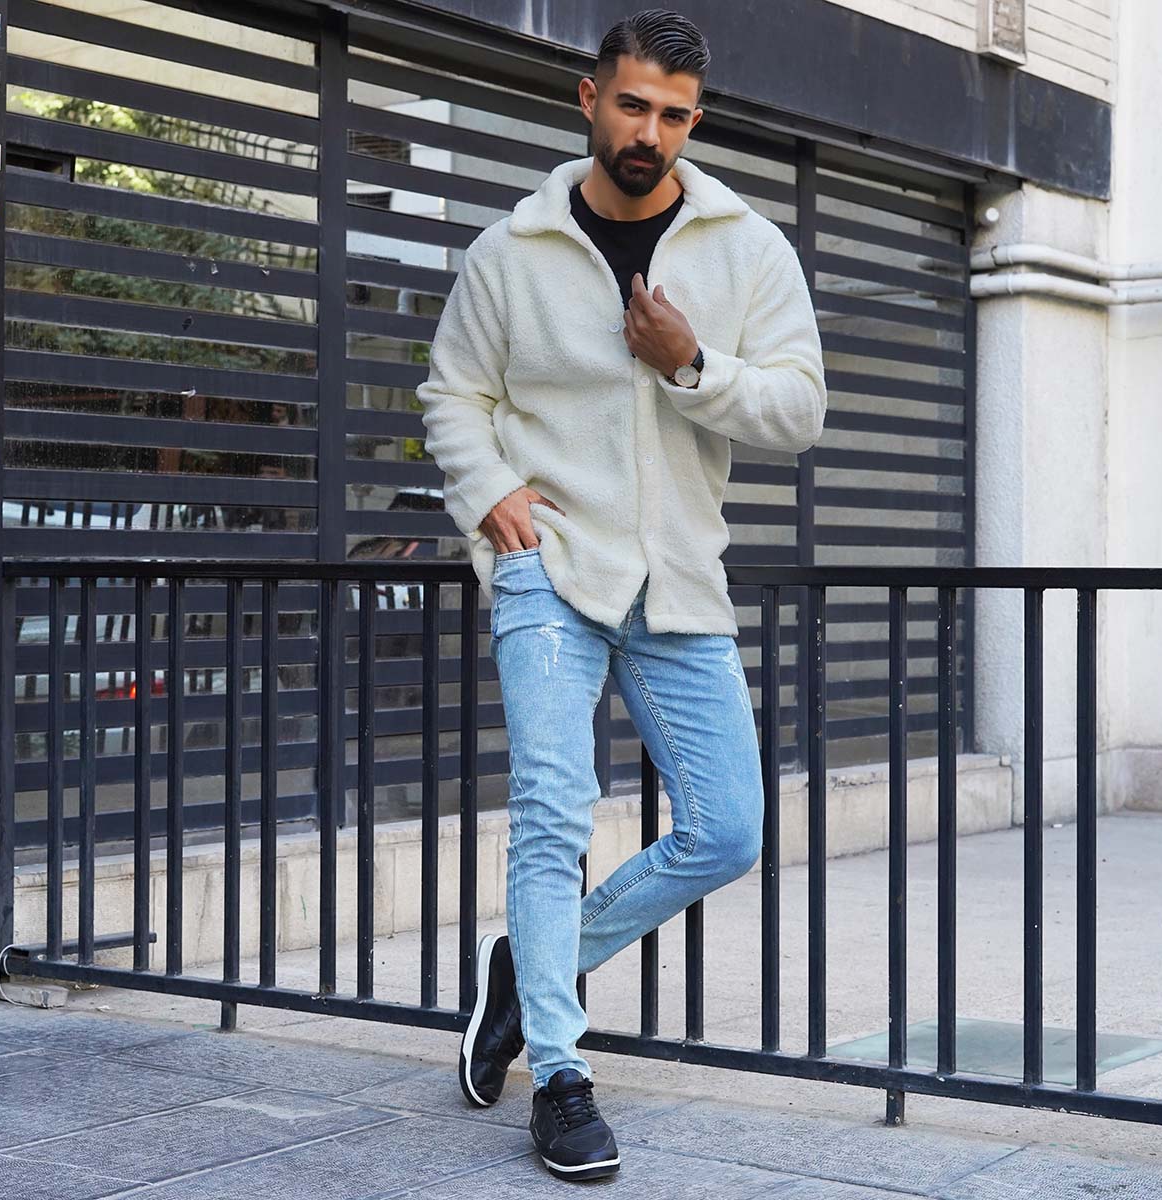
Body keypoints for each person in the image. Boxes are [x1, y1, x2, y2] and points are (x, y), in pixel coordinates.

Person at [417, 7, 827, 1182]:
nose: (652, 132)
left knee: (728, 828)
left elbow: (800, 409)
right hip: (551, 567)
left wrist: (691, 364)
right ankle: (560, 1076)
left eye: (676, 116)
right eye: (634, 105)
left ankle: (528, 967)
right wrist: (490, 493)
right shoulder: (511, 254)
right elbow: (453, 395)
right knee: (553, 810)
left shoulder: (746, 249)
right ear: (590, 99)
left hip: (679, 579)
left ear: (696, 121)